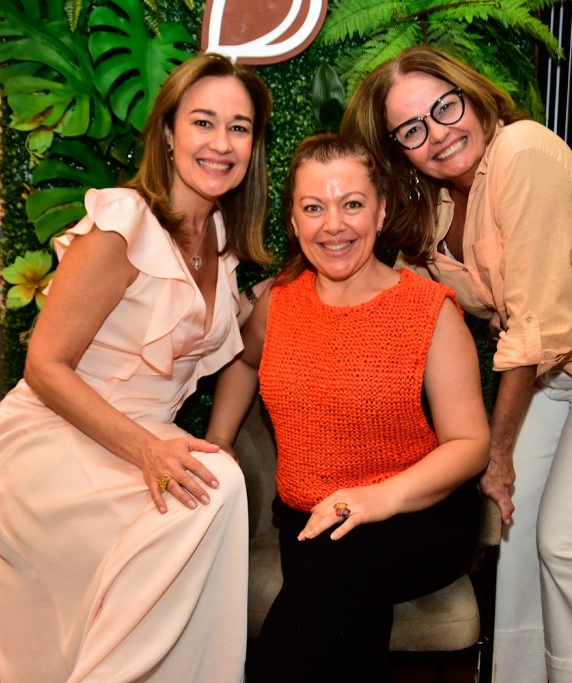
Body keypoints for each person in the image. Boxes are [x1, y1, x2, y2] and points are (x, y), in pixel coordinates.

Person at [341, 46, 572, 682]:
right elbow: (402, 291)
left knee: (569, 543)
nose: (440, 133)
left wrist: (498, 455)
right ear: (399, 149)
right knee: (520, 538)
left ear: (473, 97)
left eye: (445, 107)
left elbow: (533, 328)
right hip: (556, 383)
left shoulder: (524, 152)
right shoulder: (442, 206)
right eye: (413, 129)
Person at [0, 53, 272, 683]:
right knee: (208, 497)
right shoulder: (124, 223)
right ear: (168, 132)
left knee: (219, 482)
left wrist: (215, 441)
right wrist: (149, 451)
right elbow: (46, 366)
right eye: (204, 122)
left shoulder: (220, 241)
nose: (221, 144)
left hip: (144, 438)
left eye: (239, 128)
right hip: (57, 435)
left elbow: (242, 355)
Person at [205, 133, 490, 682]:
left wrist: (377, 499)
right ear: (293, 221)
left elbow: (470, 443)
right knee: (345, 613)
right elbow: (242, 362)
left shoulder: (429, 311)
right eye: (314, 208)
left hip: (421, 514)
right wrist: (219, 439)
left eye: (352, 204)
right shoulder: (278, 304)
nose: (333, 225)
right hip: (312, 518)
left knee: (332, 581)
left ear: (381, 211)